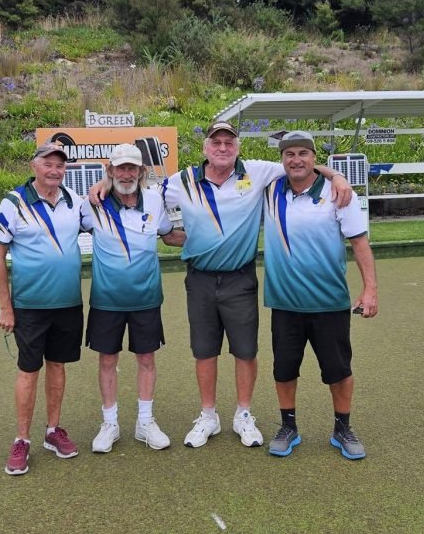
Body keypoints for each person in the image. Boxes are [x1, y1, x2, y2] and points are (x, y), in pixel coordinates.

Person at [158, 121, 354, 449]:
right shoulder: (182, 181)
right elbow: (148, 205)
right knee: (204, 351)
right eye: (216, 142)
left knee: (245, 350)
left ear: (237, 146)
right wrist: (179, 238)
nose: (223, 148)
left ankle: (243, 414)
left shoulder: (258, 172)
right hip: (200, 279)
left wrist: (337, 176)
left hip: (240, 278)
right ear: (205, 147)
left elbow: (302, 165)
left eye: (229, 142)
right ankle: (209, 415)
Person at [261, 131, 378, 460]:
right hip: (284, 303)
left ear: (314, 157)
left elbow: (359, 243)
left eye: (303, 153)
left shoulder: (338, 193)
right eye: (289, 154)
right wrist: (334, 170)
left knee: (338, 370)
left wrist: (370, 289)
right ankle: (288, 427)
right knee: (284, 369)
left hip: (329, 303)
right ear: (282, 160)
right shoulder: (269, 189)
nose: (296, 160)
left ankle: (342, 428)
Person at [0, 142, 93, 476]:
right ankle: (22, 439)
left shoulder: (73, 201)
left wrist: (105, 183)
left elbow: (102, 214)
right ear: (34, 166)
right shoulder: (14, 202)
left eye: (60, 166)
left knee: (58, 366)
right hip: (30, 306)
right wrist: (5, 307)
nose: (54, 170)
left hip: (67, 303)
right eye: (48, 163)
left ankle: (53, 430)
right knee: (28, 370)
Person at [87, 144, 186, 453]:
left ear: (142, 172)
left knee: (146, 359)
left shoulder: (155, 201)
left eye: (132, 168)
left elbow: (170, 234)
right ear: (110, 172)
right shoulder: (91, 204)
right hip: (106, 301)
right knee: (107, 361)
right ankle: (110, 423)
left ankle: (145, 422)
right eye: (120, 168)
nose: (126, 174)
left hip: (146, 299)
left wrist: (210, 236)